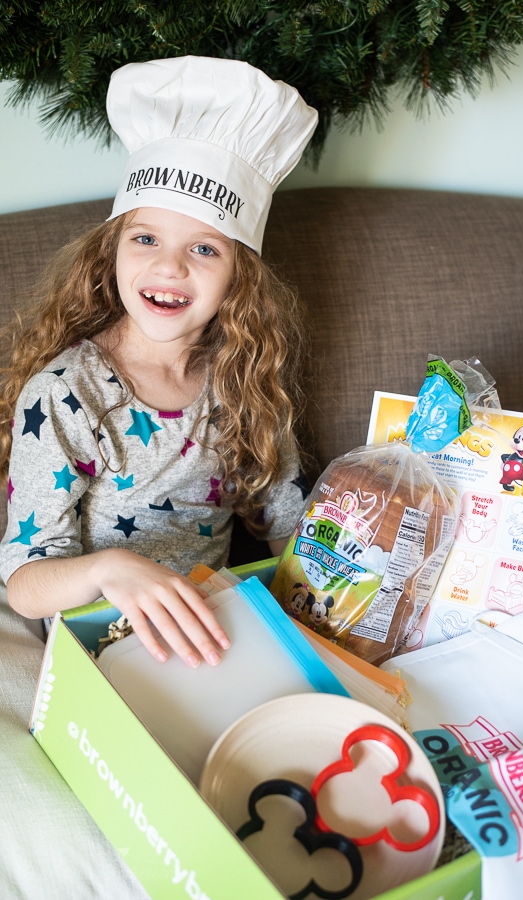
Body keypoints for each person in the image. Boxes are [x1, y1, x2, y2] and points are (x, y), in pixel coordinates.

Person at [0, 56, 318, 669]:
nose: (170, 267)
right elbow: (25, 586)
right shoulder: (65, 394)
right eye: (146, 239)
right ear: (110, 253)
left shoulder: (244, 380)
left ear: (239, 280)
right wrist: (113, 568)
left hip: (216, 632)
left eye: (204, 248)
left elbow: (290, 532)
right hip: (101, 645)